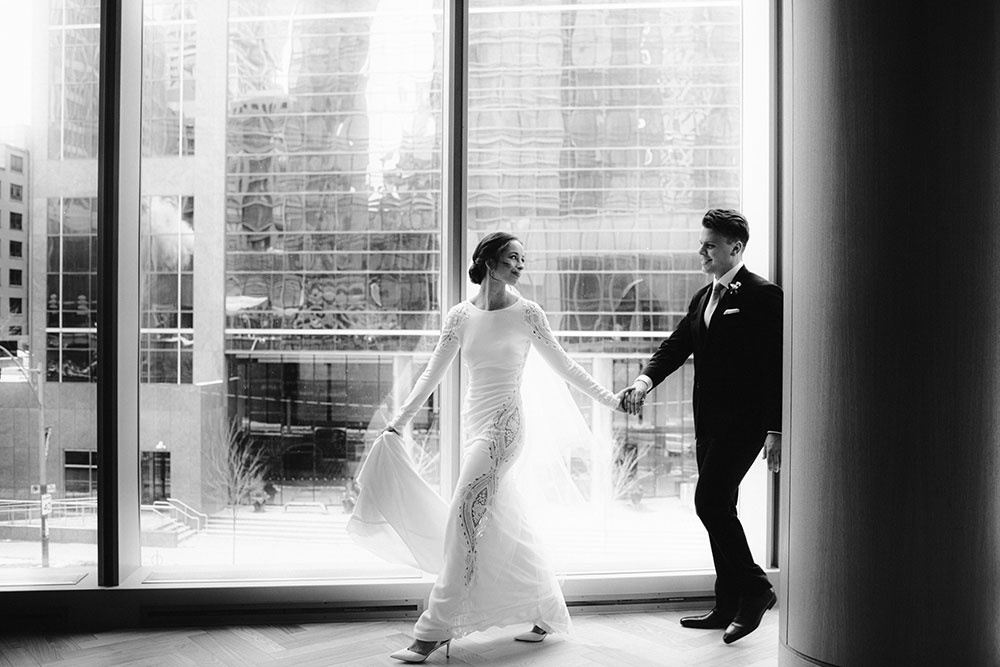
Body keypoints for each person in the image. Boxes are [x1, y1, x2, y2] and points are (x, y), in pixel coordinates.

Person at [352, 231, 623, 663]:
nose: (520, 266)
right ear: (489, 261)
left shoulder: (528, 313)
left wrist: (612, 401)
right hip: (473, 425)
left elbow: (566, 365)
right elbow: (430, 374)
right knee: (503, 519)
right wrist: (398, 422)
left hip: (504, 428)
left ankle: (432, 631)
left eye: (523, 259)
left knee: (464, 517)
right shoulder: (460, 315)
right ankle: (546, 610)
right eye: (512, 258)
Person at [620, 208, 782, 644]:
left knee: (708, 503)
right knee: (720, 507)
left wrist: (776, 429)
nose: (702, 251)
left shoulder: (764, 295)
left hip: (745, 424)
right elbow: (677, 345)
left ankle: (757, 589)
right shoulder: (702, 297)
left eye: (710, 244)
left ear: (736, 247)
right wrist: (644, 380)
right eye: (703, 243)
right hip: (707, 423)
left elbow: (776, 367)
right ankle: (727, 601)